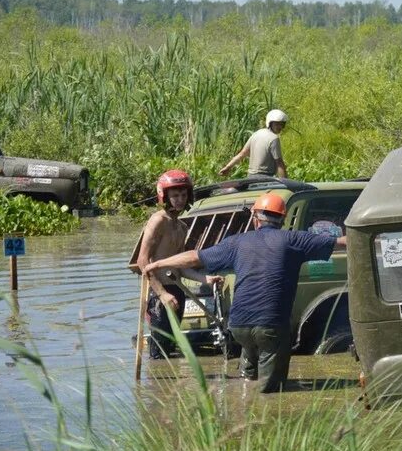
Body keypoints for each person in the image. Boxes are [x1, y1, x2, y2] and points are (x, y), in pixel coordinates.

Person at [143, 192, 345, 392]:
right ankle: (262, 407)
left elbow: (194, 257)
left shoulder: (237, 242)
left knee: (248, 380)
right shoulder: (294, 239)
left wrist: (159, 263)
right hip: (270, 325)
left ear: (256, 219)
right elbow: (341, 242)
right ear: (282, 220)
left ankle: (243, 399)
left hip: (239, 327)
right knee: (270, 390)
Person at [137, 170, 221, 359]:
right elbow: (143, 260)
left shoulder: (182, 227)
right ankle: (156, 388)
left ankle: (169, 388)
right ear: (164, 196)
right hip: (158, 295)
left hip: (177, 292)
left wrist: (204, 279)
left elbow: (180, 267)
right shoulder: (158, 220)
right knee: (158, 354)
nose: (180, 200)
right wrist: (162, 294)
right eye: (175, 195)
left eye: (183, 195)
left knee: (170, 348)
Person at [219, 109, 288, 178]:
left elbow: (242, 154)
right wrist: (286, 183)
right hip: (266, 178)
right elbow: (279, 163)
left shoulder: (256, 134)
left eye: (282, 124)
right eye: (277, 124)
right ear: (270, 123)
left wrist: (228, 167)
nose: (280, 127)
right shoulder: (274, 138)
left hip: (250, 177)